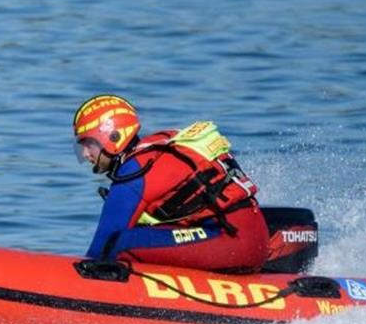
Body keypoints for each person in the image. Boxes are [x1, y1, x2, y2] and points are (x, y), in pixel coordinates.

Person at [72, 94, 268, 272]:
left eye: (89, 144)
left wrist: (74, 279)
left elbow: (100, 248)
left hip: (233, 242)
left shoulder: (134, 171)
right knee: (139, 235)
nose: (86, 154)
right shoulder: (156, 148)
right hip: (248, 237)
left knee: (118, 243)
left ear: (112, 137)